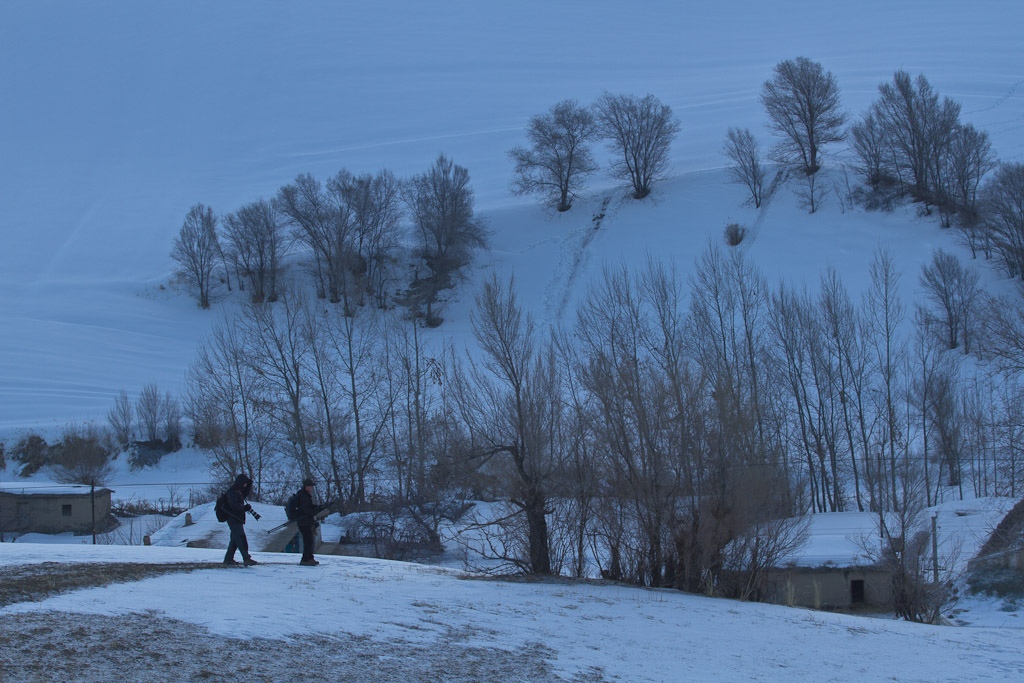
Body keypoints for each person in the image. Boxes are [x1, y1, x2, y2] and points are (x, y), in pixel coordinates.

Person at [224, 473, 260, 566]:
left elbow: (244, 494)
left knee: (235, 540)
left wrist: (249, 485)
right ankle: (246, 558)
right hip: (233, 518)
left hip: (237, 518)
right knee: (240, 539)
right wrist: (244, 508)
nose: (245, 485)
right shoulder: (232, 492)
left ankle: (228, 559)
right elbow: (233, 505)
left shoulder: (238, 492)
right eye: (244, 483)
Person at [295, 478, 323, 566]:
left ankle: (309, 558)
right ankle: (306, 559)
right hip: (304, 522)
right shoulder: (304, 496)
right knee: (308, 541)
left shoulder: (304, 495)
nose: (311, 488)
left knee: (309, 541)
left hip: (304, 521)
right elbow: (306, 509)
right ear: (306, 487)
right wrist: (314, 511)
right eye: (310, 486)